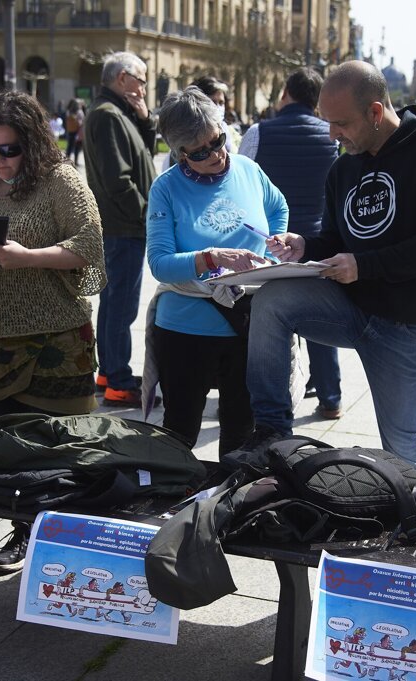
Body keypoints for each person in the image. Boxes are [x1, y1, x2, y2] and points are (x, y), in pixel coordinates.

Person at [228, 61, 416, 473]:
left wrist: (364, 265)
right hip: (350, 309)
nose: (332, 135)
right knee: (271, 300)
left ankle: (415, 505)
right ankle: (270, 428)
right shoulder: (344, 166)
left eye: (340, 124)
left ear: (375, 112)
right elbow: (336, 238)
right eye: (328, 122)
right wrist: (304, 245)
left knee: (402, 451)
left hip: (405, 326)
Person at [0, 89, 105, 573]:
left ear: (32, 142)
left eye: (9, 149)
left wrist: (27, 257)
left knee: (60, 448)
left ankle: (67, 544)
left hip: (55, 340)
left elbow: (89, 245)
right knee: (9, 450)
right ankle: (22, 533)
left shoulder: (60, 181)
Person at [146, 86, 287, 454]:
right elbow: (160, 264)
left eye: (218, 140)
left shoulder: (248, 170)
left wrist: (276, 246)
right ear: (180, 153)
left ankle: (230, 492)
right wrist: (212, 258)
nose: (216, 154)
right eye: (200, 152)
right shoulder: (165, 189)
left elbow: (278, 207)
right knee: (178, 436)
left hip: (247, 324)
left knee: (241, 435)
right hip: (186, 329)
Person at [239, 67, 343, 420]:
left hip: (271, 243)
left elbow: (241, 183)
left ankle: (269, 401)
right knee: (321, 319)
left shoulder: (259, 132)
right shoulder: (332, 135)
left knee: (268, 321)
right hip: (317, 242)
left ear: (286, 93)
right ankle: (330, 397)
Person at [83, 51, 157, 407]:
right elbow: (119, 180)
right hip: (123, 225)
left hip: (121, 224)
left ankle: (108, 372)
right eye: (141, 80)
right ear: (123, 78)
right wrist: (147, 216)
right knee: (121, 307)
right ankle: (118, 381)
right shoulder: (108, 115)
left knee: (113, 303)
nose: (143, 88)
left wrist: (145, 119)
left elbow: (142, 153)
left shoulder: (116, 112)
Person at [64, 98, 84, 165]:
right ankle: (76, 161)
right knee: (77, 147)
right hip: (78, 131)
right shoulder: (79, 112)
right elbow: (80, 122)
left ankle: (67, 160)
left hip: (70, 131)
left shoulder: (68, 112)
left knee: (69, 146)